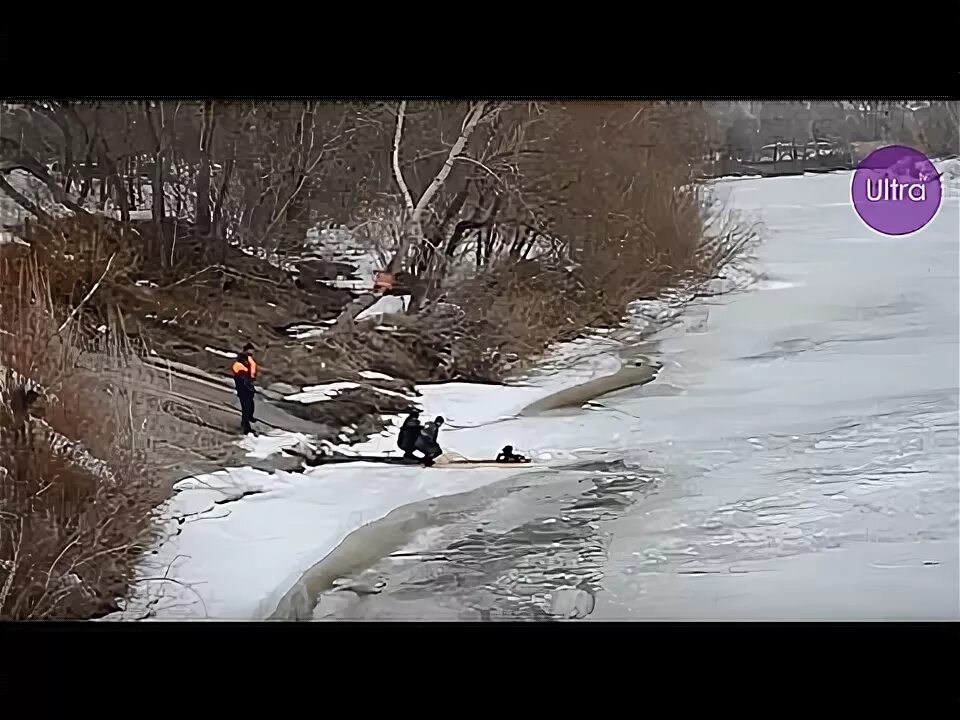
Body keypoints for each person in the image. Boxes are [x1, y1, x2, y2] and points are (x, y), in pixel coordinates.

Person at [231, 351, 257, 435]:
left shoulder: (240, 366)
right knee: (246, 408)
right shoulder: (239, 367)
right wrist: (250, 388)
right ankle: (246, 427)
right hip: (244, 391)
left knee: (249, 406)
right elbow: (245, 380)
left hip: (245, 390)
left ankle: (248, 419)